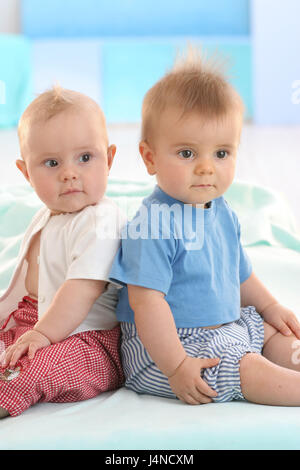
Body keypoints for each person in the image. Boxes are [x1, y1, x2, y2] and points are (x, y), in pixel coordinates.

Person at [109, 49, 300, 406]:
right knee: (244, 367)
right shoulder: (152, 223)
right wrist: (177, 365)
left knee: (273, 329)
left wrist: (271, 306)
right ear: (150, 158)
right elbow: (147, 303)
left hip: (226, 326)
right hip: (168, 346)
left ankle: (288, 361)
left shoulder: (223, 210)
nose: (206, 168)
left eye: (222, 153)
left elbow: (238, 274)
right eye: (187, 154)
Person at [0, 86, 125, 418]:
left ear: (109, 159)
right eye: (51, 163)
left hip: (90, 340)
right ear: (26, 173)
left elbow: (83, 288)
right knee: (15, 347)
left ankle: (5, 393)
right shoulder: (49, 214)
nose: (69, 173)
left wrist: (41, 333)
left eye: (85, 158)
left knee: (34, 368)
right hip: (37, 319)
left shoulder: (100, 221)